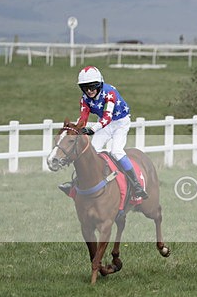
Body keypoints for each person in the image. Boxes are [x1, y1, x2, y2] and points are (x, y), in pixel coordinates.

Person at [58, 65, 148, 199]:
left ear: (99, 84)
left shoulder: (110, 93)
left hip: (120, 123)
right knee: (91, 151)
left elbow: (107, 117)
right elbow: (83, 118)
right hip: (105, 124)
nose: (89, 90)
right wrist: (77, 128)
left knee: (116, 151)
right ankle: (75, 183)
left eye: (93, 86)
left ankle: (136, 186)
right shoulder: (84, 99)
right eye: (85, 87)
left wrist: (92, 129)